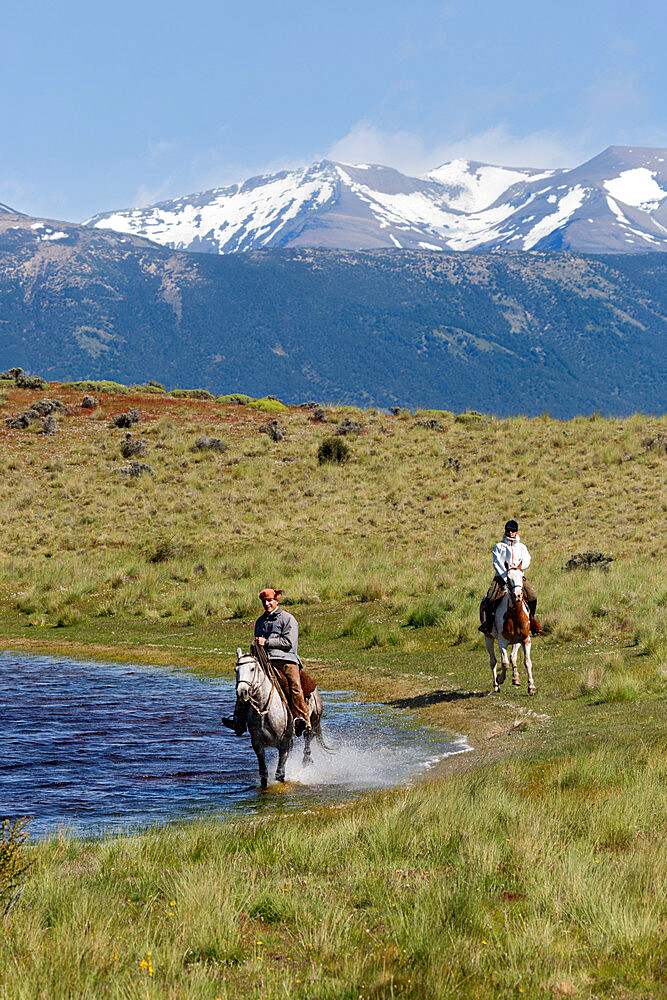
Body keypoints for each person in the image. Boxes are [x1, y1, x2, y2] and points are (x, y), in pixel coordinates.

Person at [222, 588, 312, 737]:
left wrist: (267, 642)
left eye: (269, 600)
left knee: (295, 685)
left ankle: (303, 719)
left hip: (286, 660)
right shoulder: (260, 621)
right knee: (246, 684)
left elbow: (289, 642)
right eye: (264, 601)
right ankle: (239, 720)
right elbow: (259, 643)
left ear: (276, 601)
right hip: (264, 661)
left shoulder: (288, 619)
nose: (267, 603)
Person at [478, 520, 545, 636]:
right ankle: (488, 623)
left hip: (518, 578)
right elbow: (497, 563)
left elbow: (527, 560)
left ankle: (532, 621)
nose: (510, 533)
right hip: (501, 577)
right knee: (490, 598)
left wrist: (517, 570)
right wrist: (506, 576)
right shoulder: (498, 547)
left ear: (517, 532)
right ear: (505, 531)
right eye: (508, 531)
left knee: (533, 596)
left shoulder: (522, 547)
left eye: (513, 531)